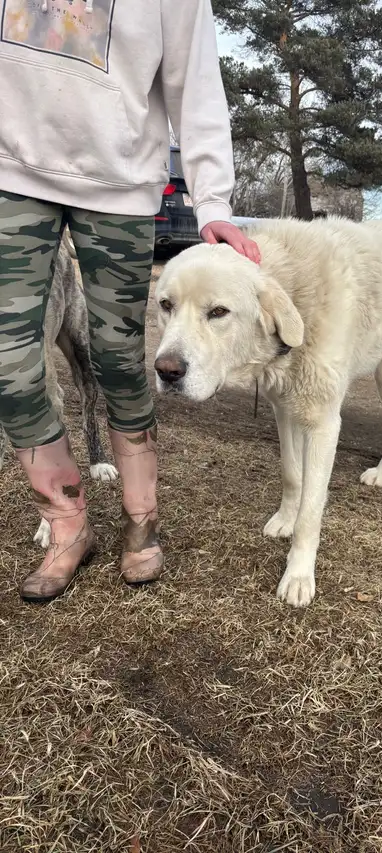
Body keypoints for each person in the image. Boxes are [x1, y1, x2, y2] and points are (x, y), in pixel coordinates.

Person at [0, 0, 259, 602]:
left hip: (120, 184)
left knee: (118, 359)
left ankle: (141, 516)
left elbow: (196, 84)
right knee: (9, 366)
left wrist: (212, 203)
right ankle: (67, 524)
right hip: (9, 174)